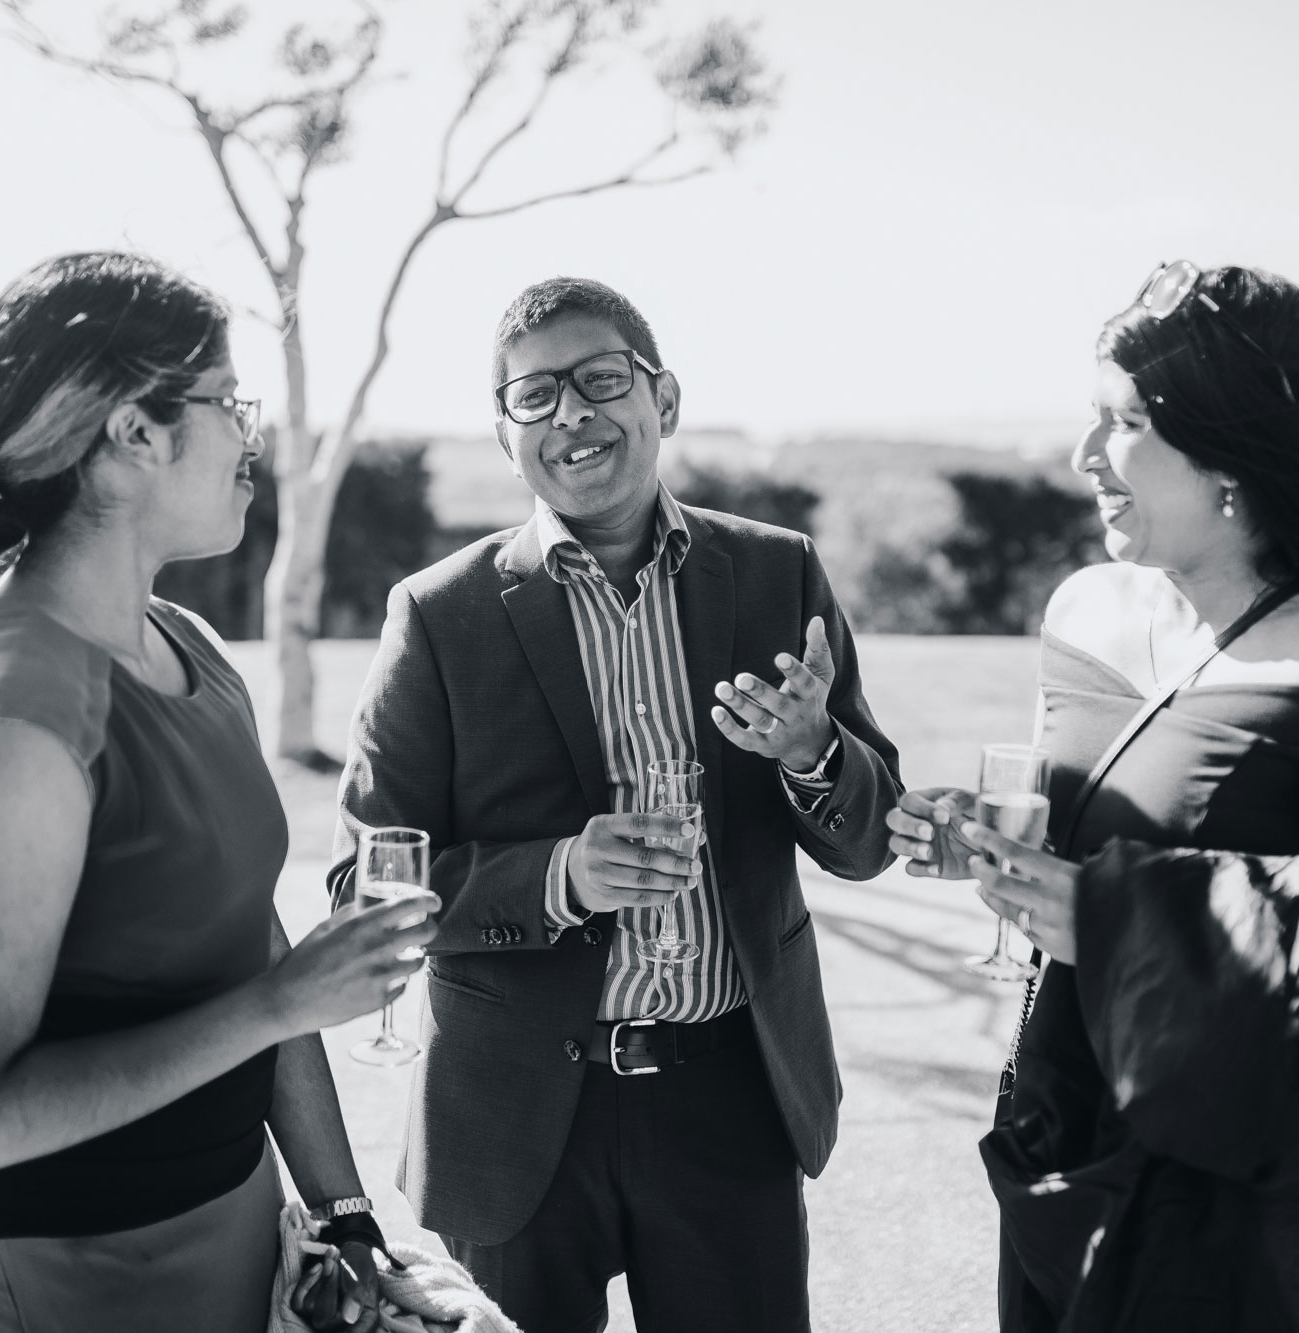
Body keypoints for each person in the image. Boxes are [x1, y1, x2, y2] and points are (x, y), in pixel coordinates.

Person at [887, 262, 1299, 1331]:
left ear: (1230, 451)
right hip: (1060, 1139)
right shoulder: (1081, 610)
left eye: (1118, 424)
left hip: (1247, 1211)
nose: (1080, 458)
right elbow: (1086, 837)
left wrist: (1121, 923)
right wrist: (990, 845)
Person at [0, 251, 438, 1333]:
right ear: (134, 432)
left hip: (228, 1222)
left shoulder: (179, 640)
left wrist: (343, 1212)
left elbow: (248, 940)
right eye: (232, 403)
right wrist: (280, 1006)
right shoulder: (16, 720)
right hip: (66, 1269)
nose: (249, 438)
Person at [332, 276, 904, 1333]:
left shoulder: (778, 574)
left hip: (730, 1094)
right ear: (503, 435)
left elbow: (868, 839)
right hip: (509, 1116)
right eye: (534, 395)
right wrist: (561, 875)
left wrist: (811, 748)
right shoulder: (437, 615)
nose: (571, 415)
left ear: (664, 398)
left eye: (601, 381)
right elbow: (363, 886)